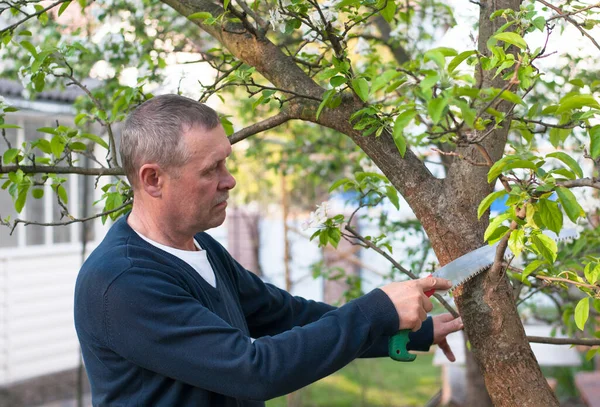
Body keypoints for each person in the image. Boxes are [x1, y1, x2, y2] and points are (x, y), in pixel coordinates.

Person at [74, 94, 463, 407]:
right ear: (153, 179)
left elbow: (285, 316)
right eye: (211, 169)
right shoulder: (123, 283)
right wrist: (376, 308)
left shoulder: (200, 247)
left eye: (226, 162)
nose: (230, 180)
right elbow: (253, 371)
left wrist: (403, 329)